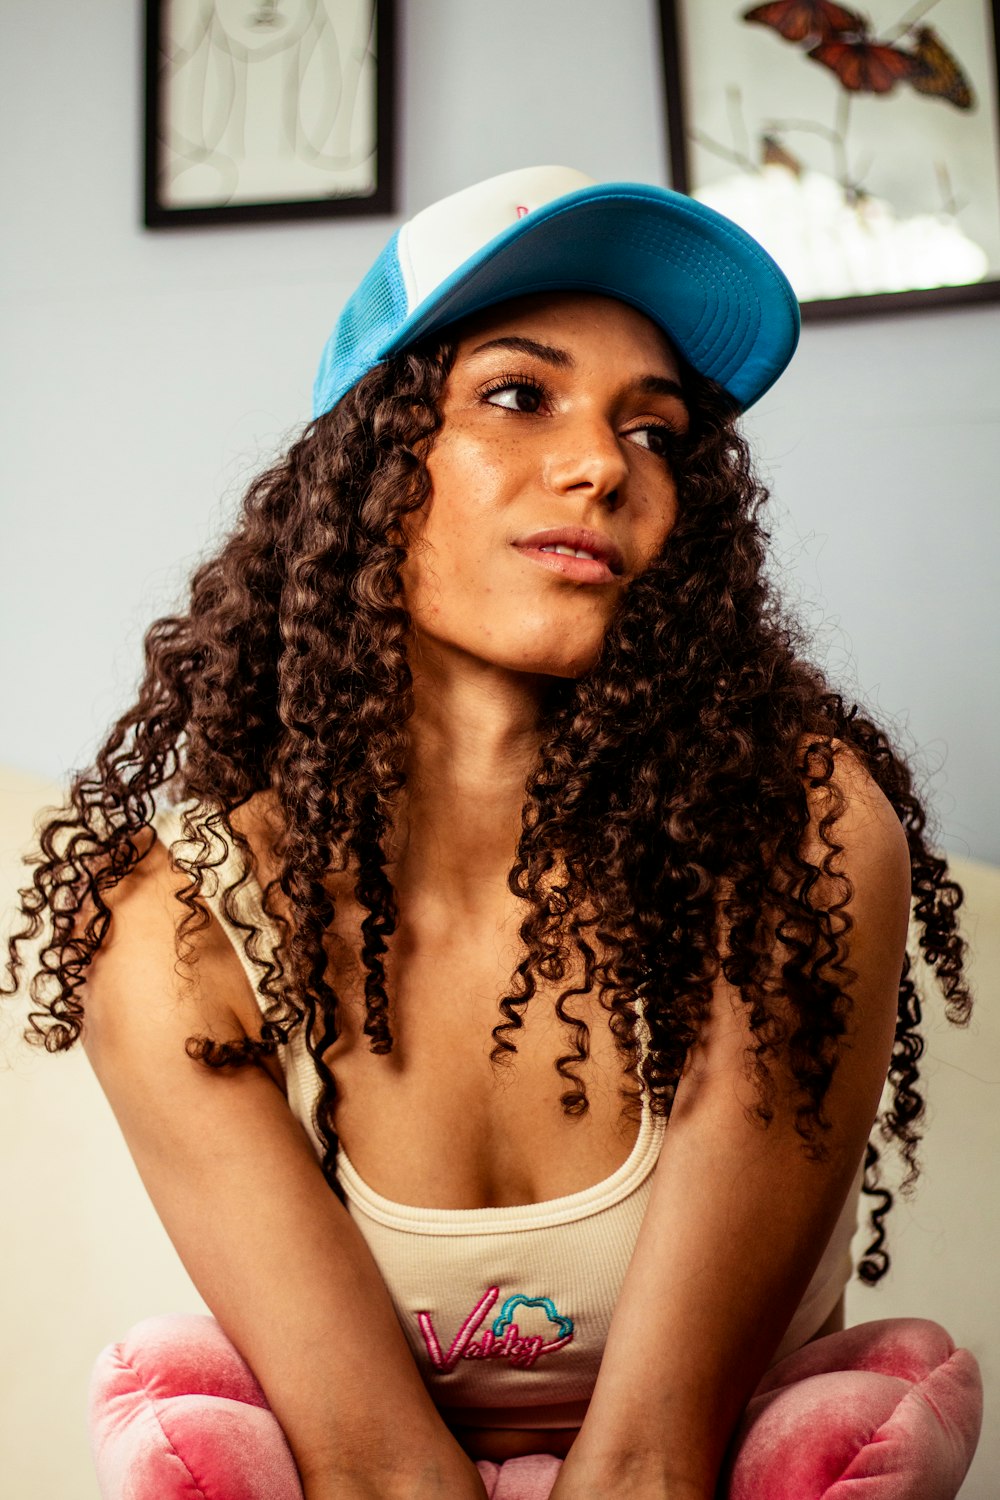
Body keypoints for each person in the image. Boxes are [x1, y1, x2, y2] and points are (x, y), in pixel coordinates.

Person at [4, 166, 982, 1500]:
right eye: (518, 395)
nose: (602, 464)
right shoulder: (178, 930)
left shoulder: (793, 833)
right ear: (371, 460)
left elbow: (654, 1461)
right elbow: (374, 1471)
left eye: (657, 432)